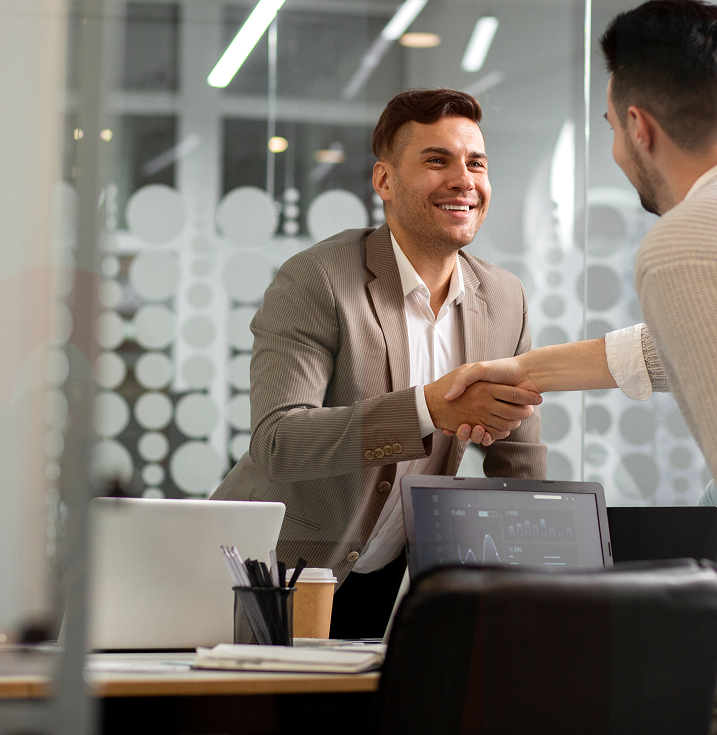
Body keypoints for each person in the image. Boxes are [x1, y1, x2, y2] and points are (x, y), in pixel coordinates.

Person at [444, 0, 717, 735]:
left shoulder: (689, 243)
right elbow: (670, 347)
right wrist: (521, 370)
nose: (616, 150)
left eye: (612, 129)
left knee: (622, 703)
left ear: (640, 127)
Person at [212, 88, 551, 639]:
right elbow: (277, 439)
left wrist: (541, 592)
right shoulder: (317, 279)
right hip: (277, 574)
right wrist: (427, 409)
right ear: (384, 181)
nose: (463, 179)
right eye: (436, 160)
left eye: (476, 163)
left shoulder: (504, 298)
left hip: (386, 581)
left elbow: (518, 461)